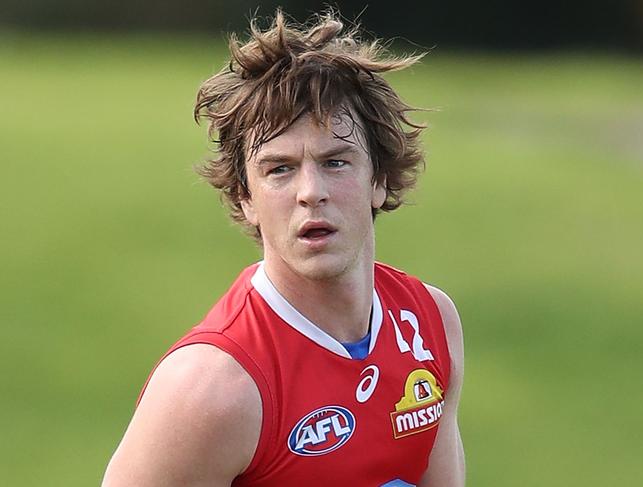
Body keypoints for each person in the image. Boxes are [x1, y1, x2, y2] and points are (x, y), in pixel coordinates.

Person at [102, 10, 464, 487]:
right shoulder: (209, 390)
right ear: (244, 198)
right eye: (279, 169)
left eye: (335, 161)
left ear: (378, 178)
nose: (310, 191)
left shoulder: (430, 322)